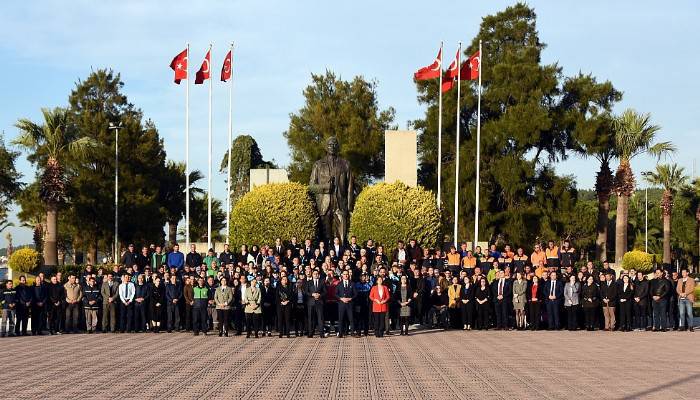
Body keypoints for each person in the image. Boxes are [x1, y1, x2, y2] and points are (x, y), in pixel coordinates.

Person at [305, 270, 326, 338]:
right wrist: (312, 294)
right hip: (311, 303)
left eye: (317, 274)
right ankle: (310, 333)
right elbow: (306, 292)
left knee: (320, 318)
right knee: (311, 318)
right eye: (314, 274)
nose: (316, 275)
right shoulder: (309, 282)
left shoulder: (322, 282)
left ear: (318, 275)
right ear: (312, 274)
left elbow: (325, 292)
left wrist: (319, 295)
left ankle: (321, 334)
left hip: (319, 302)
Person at [335, 269, 356, 337]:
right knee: (341, 319)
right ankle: (340, 333)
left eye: (347, 274)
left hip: (350, 304)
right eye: (344, 274)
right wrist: (341, 298)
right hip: (341, 304)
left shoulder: (352, 283)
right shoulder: (339, 284)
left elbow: (356, 294)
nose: (346, 275)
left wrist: (351, 298)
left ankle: (352, 332)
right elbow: (336, 294)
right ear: (342, 275)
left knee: (351, 319)